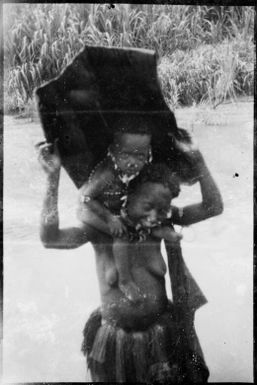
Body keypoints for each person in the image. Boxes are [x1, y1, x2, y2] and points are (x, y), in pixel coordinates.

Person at [37, 136, 223, 383]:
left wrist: (198, 161)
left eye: (162, 208)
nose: (155, 215)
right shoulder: (103, 230)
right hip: (116, 341)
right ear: (130, 196)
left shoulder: (161, 221)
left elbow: (213, 207)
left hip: (162, 338)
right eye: (148, 205)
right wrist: (52, 178)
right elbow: (51, 239)